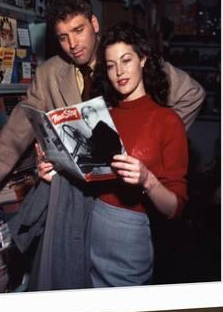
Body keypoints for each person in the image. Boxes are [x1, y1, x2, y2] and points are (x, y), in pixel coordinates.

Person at [0, 0, 205, 209]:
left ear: (94, 23)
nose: (72, 44)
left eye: (78, 30)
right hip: (74, 198)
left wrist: (152, 145)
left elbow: (192, 95)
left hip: (129, 200)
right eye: (62, 37)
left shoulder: (127, 57)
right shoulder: (48, 74)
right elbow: (17, 130)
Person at [35, 21, 189, 288]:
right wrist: (55, 172)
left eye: (126, 60)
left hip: (130, 239)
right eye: (110, 65)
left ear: (143, 59)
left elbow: (175, 208)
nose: (119, 72)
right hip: (86, 229)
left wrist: (148, 180)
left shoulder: (167, 121)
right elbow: (86, 178)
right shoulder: (99, 117)